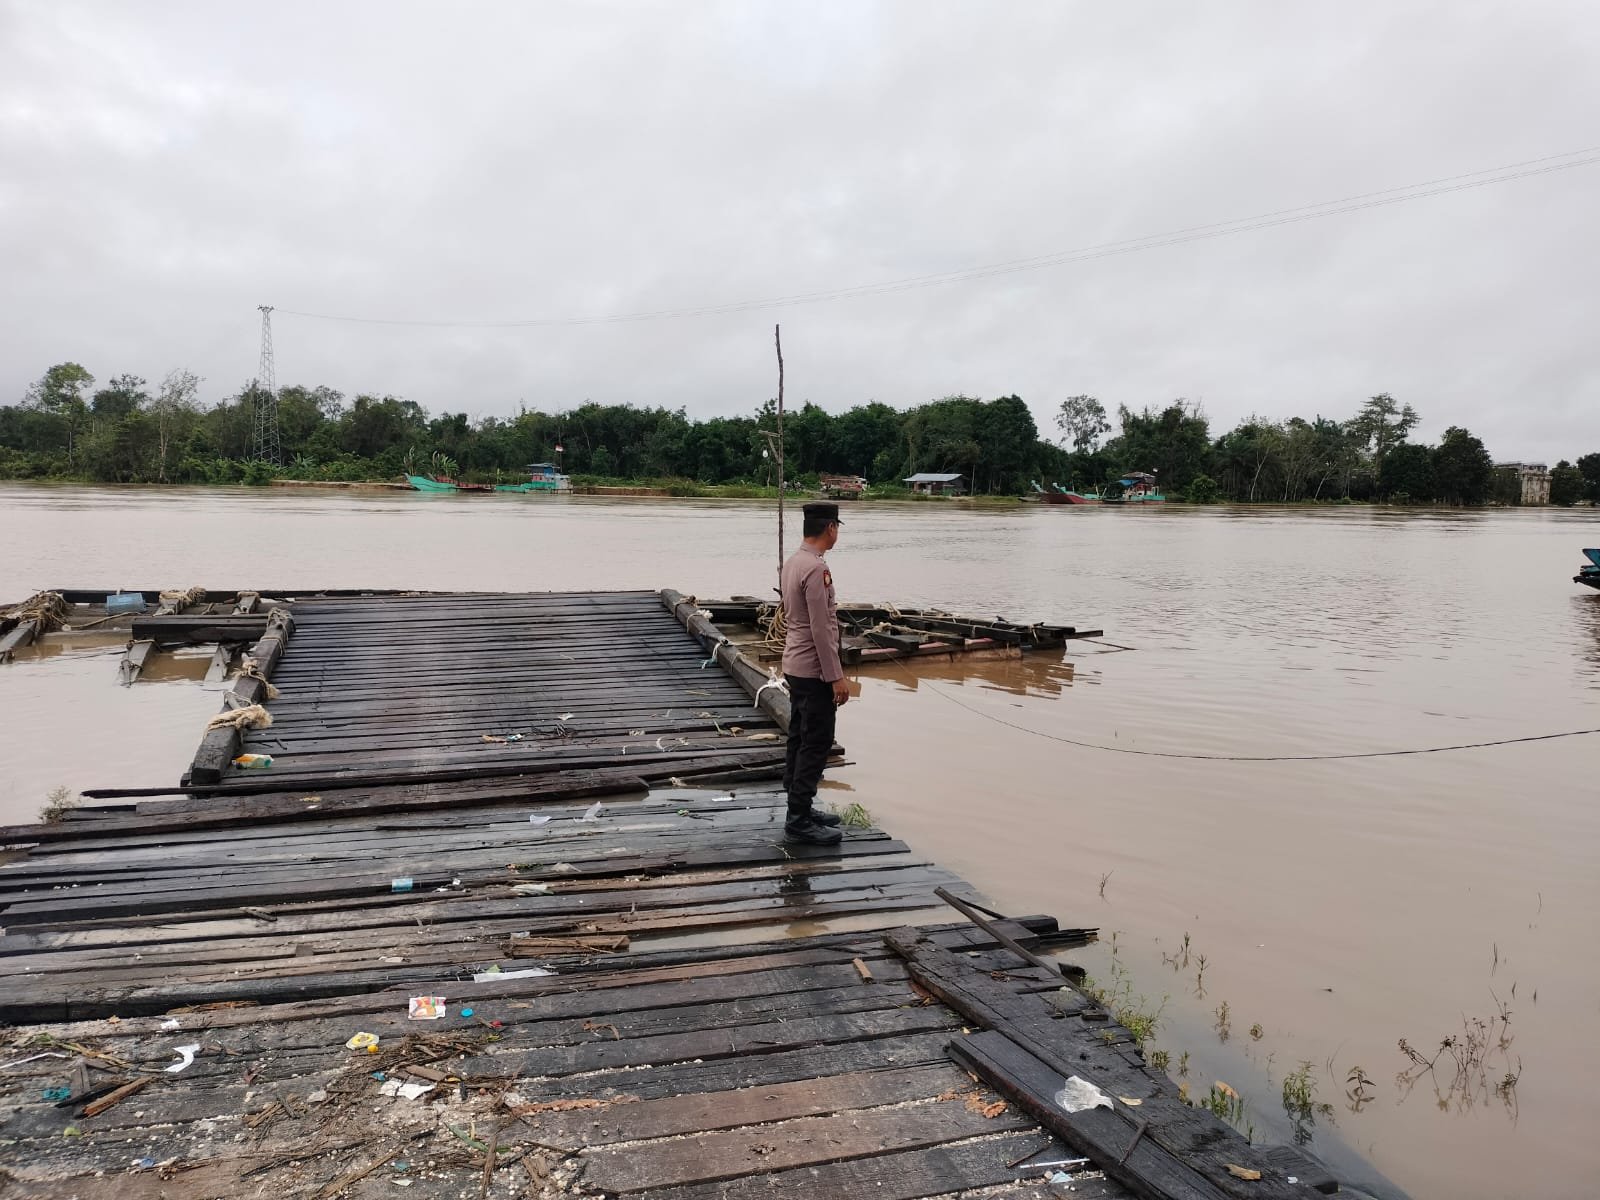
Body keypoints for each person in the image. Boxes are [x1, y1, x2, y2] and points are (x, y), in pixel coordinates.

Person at [779, 502, 850, 845]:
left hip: (794, 664)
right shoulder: (816, 569)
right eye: (838, 527)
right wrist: (836, 676)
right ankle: (798, 818)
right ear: (830, 528)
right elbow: (822, 629)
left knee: (799, 735)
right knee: (817, 741)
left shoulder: (793, 562)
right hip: (813, 669)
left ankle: (800, 806)